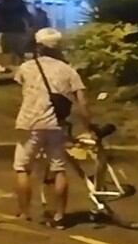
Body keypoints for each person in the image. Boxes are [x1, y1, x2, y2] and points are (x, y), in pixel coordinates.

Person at [13, 28, 94, 229]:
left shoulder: (26, 68)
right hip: (55, 124)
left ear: (38, 46)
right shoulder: (68, 70)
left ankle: (24, 212)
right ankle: (59, 216)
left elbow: (20, 86)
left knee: (22, 167)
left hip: (29, 124)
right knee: (59, 169)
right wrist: (89, 126)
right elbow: (82, 102)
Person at [0, 0, 31, 69]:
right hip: (19, 29)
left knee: (8, 49)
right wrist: (30, 25)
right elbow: (26, 14)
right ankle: (20, 64)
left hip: (6, 30)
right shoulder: (19, 3)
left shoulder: (2, 4)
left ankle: (9, 65)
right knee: (19, 49)